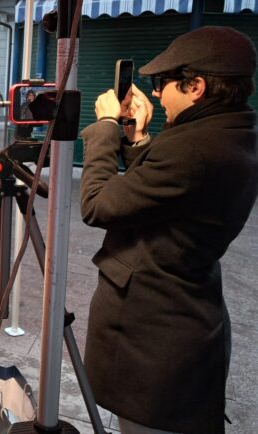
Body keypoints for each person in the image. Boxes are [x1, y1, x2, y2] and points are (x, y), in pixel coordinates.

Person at [79, 26, 258, 434]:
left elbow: (99, 204)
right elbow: (164, 196)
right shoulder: (228, 132)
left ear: (195, 86)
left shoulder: (195, 147)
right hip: (183, 321)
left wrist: (106, 126)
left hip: (158, 341)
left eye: (162, 83)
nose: (156, 94)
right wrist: (138, 137)